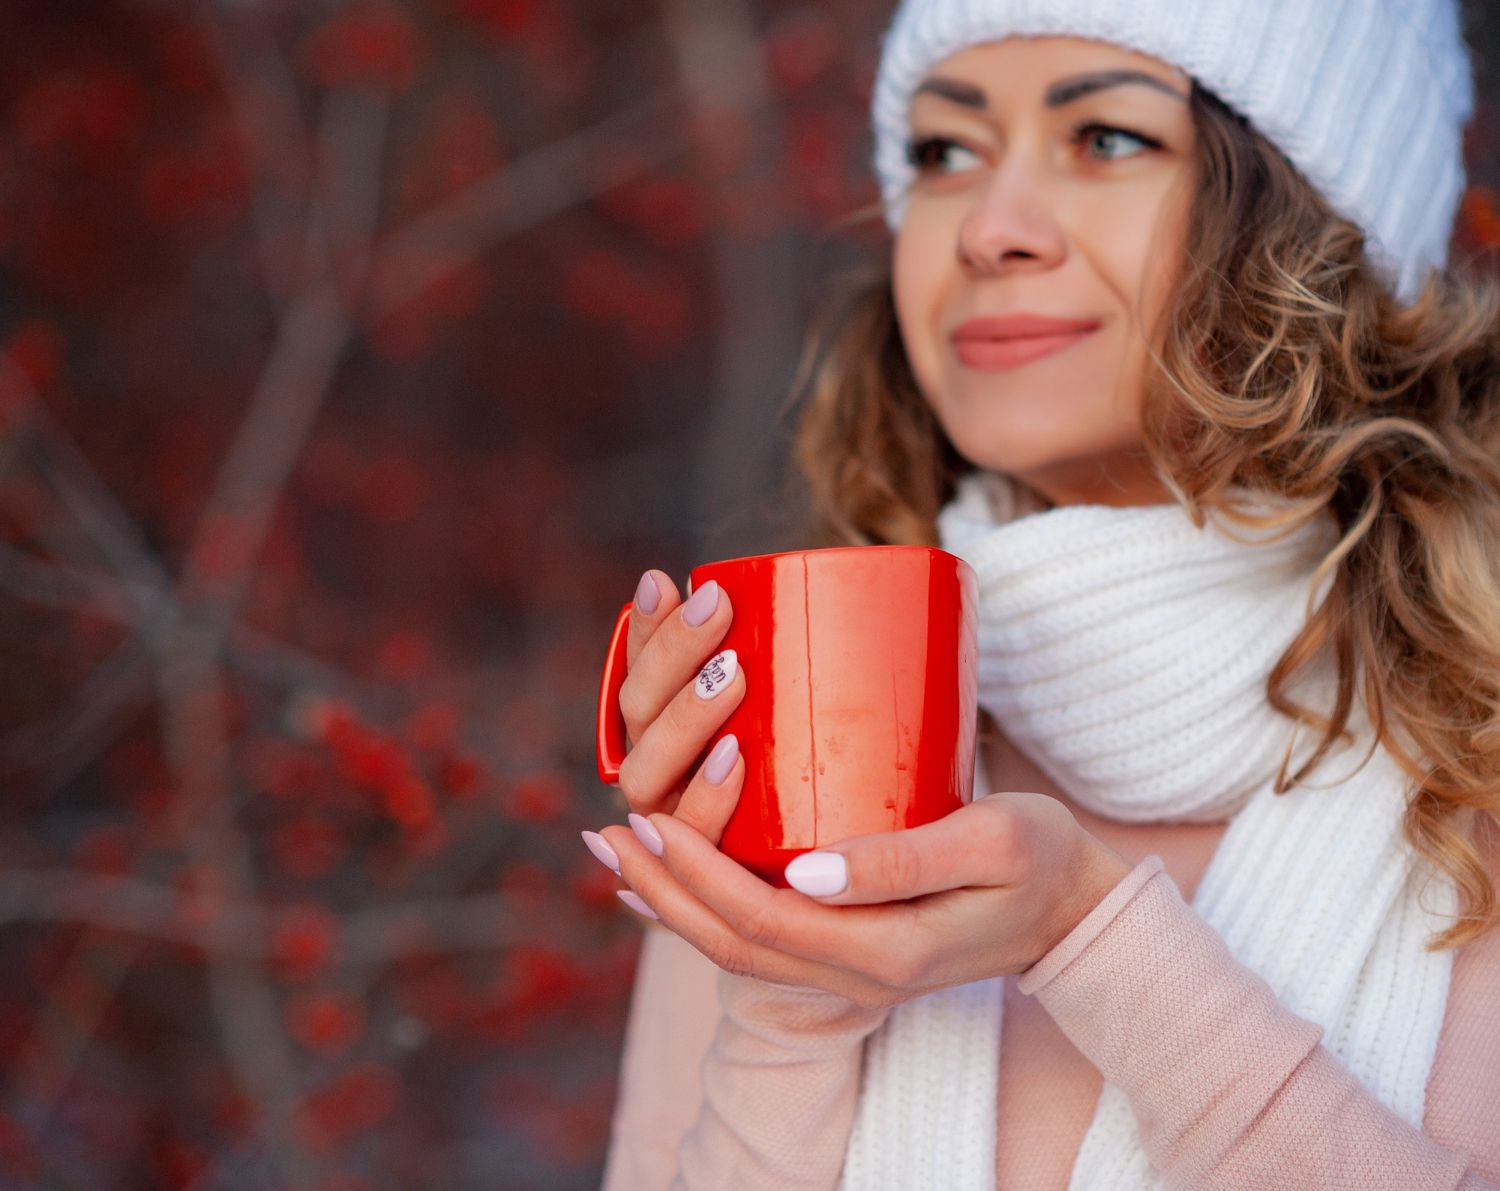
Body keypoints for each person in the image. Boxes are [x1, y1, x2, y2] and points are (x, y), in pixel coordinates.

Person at [585, 0, 1500, 1186]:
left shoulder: (1473, 753)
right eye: (944, 154)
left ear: (1322, 232)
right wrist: (792, 997)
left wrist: (1091, 939)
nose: (987, 229)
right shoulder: (790, 763)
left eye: (1107, 139)